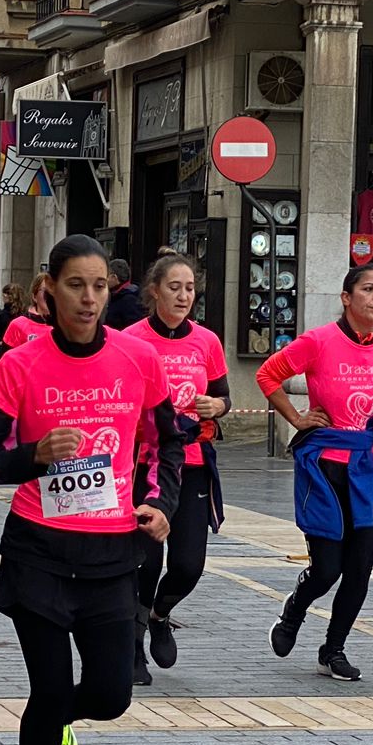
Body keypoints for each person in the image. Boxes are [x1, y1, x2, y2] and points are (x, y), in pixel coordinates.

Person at [0, 233, 183, 745]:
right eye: (75, 286)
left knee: (112, 696)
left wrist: (162, 504)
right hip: (39, 550)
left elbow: (169, 439)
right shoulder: (21, 365)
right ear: (49, 290)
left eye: (99, 287)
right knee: (51, 687)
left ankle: (58, 725)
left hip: (113, 552)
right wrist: (33, 456)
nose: (89, 299)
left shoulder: (137, 359)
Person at [257, 264, 373, 682]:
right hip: (328, 470)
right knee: (328, 568)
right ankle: (295, 609)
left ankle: (334, 648)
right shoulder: (319, 341)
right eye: (368, 289)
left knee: (360, 568)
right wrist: (297, 417)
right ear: (347, 298)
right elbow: (268, 374)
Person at [117, 251, 230, 683]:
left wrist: (216, 405)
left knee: (188, 565)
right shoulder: (129, 339)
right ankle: (132, 645)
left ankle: (160, 614)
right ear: (154, 291)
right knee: (145, 562)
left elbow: (223, 398)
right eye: (174, 287)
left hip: (194, 464)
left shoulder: (207, 341)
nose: (184, 296)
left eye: (189, 288)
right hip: (145, 465)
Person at [0, 276, 52, 352]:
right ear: (34, 297)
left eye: (56, 291)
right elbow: (6, 360)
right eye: (46, 291)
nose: (51, 295)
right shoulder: (18, 325)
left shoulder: (67, 327)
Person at [102, 256, 143, 329]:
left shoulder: (129, 299)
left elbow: (133, 327)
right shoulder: (116, 295)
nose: (105, 279)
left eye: (107, 275)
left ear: (114, 277)